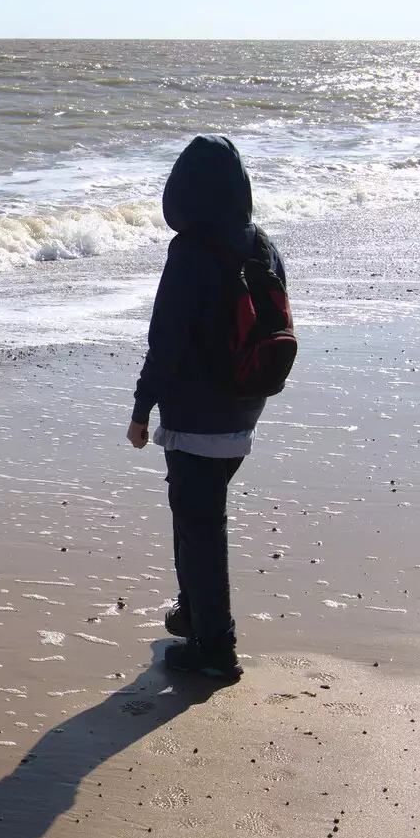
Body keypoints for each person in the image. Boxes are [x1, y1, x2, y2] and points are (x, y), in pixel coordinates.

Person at [127, 135, 288, 683]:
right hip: (247, 403)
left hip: (197, 410)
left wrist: (141, 406)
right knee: (197, 513)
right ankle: (195, 616)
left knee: (199, 522)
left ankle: (215, 648)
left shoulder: (191, 252)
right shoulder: (262, 244)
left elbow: (166, 339)